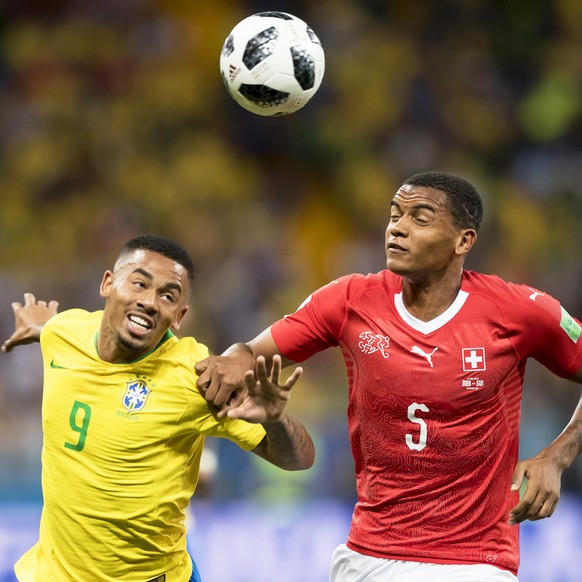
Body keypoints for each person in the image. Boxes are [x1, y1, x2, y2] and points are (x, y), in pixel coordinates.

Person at [195, 171, 582, 581]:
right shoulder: (349, 300)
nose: (397, 227)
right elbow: (249, 355)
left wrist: (557, 456)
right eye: (395, 214)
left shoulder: (518, 311)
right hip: (369, 556)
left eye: (420, 217)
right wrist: (233, 361)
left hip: (475, 561)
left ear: (463, 241)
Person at [1, 234, 315, 582]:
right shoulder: (64, 332)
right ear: (108, 283)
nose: (149, 302)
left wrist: (276, 420)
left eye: (167, 296)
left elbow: (298, 459)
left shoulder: (197, 378)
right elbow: (53, 329)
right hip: (49, 574)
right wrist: (36, 324)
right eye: (139, 283)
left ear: (179, 316)